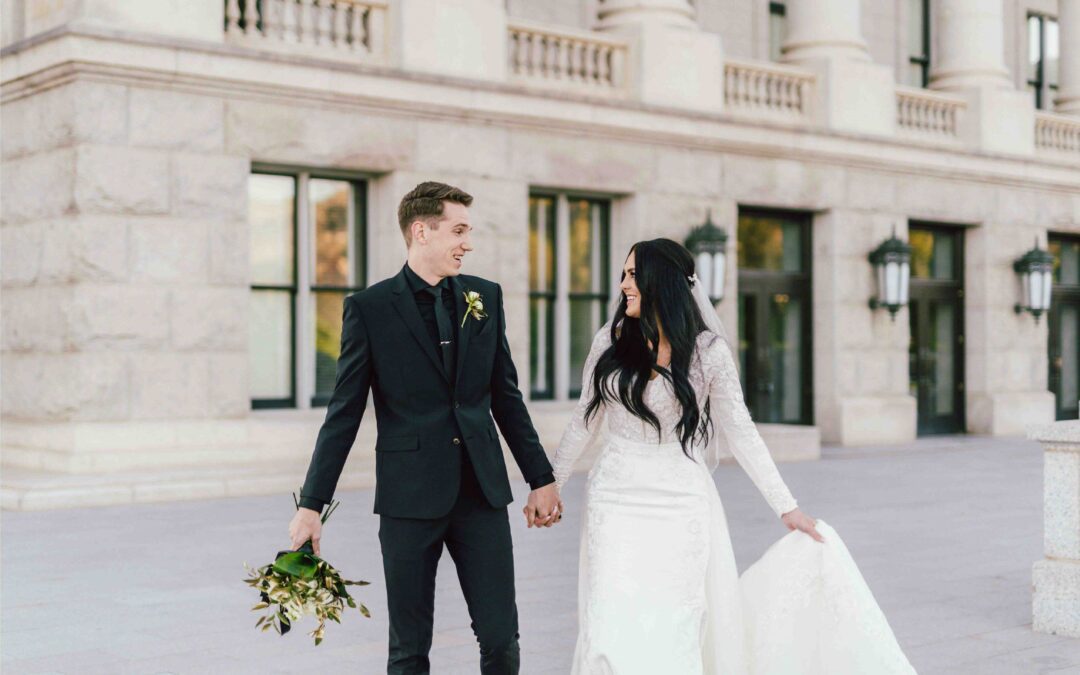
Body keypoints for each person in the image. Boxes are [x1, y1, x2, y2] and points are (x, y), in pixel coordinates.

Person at [552, 238, 916, 674]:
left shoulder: (708, 353)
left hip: (679, 502)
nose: (624, 284)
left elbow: (741, 432)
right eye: (624, 275)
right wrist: (551, 484)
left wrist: (787, 506)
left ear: (661, 282)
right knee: (611, 623)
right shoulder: (607, 343)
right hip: (615, 498)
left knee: (673, 624)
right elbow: (583, 421)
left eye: (633, 275)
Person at [288, 182, 562, 675]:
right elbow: (344, 412)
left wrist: (540, 478)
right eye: (458, 231)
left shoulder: (486, 297)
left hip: (481, 493)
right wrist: (311, 506)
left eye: (468, 232)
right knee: (409, 650)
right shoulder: (369, 309)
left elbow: (506, 396)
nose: (467, 243)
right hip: (408, 501)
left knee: (502, 640)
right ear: (421, 231)